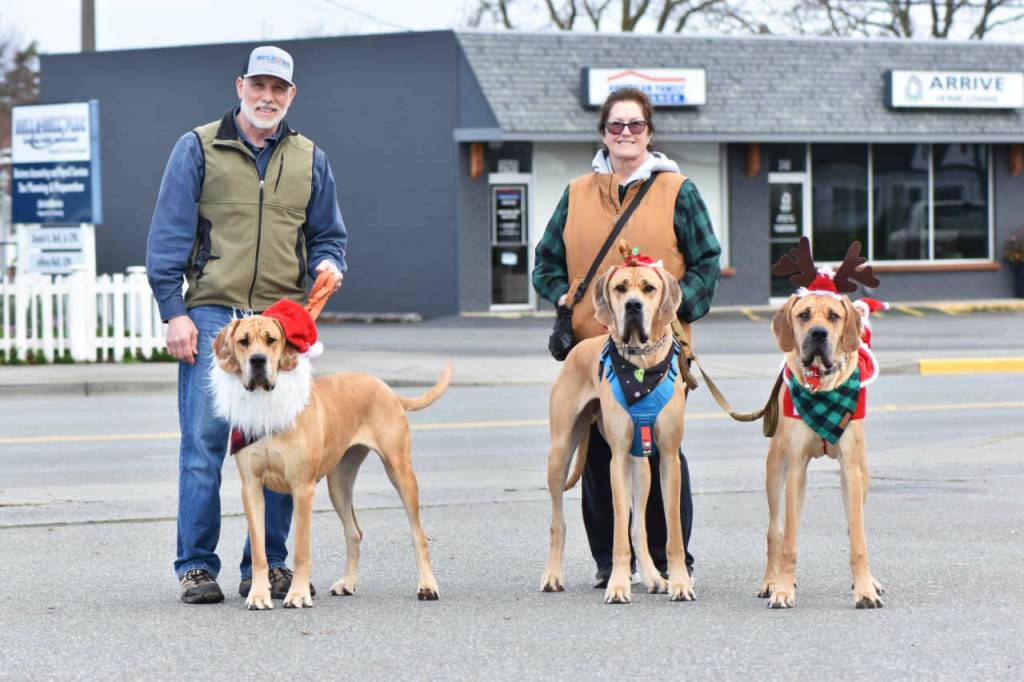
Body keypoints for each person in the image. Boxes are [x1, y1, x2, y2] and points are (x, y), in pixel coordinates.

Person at [146, 46, 348, 604]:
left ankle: (269, 564)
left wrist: (332, 262)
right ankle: (195, 566)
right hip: (214, 309)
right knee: (205, 442)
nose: (267, 97)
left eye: (278, 89)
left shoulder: (311, 159)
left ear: (291, 95)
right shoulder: (197, 148)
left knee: (286, 441)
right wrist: (175, 312)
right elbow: (166, 238)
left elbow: (329, 235)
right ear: (240, 87)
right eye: (258, 85)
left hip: (283, 320)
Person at [532, 87, 721, 587]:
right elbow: (545, 261)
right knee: (598, 453)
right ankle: (609, 561)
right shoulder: (575, 193)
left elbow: (708, 262)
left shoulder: (680, 190)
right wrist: (564, 300)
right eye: (616, 125)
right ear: (603, 134)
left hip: (661, 348)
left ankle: (669, 556)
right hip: (594, 349)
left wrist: (678, 314)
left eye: (635, 125)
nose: (625, 134)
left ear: (649, 132)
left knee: (664, 449)